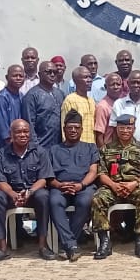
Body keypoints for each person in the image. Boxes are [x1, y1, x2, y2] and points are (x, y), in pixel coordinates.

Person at [92, 114, 140, 260]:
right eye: (122, 128)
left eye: (128, 128)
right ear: (116, 129)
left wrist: (134, 184)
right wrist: (113, 185)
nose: (125, 131)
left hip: (135, 186)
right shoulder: (106, 149)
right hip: (112, 187)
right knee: (98, 198)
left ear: (134, 129)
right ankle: (104, 241)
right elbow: (101, 174)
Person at [0, 118, 53, 263]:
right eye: (18, 132)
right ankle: (2, 249)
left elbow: (43, 179)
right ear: (11, 134)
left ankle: (43, 246)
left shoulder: (40, 152)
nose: (23, 135)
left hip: (33, 194)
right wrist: (12, 194)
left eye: (26, 131)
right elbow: (1, 181)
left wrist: (30, 192)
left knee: (44, 195)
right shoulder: (2, 153)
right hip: (10, 195)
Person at [46, 110, 99, 262]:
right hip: (60, 187)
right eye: (70, 127)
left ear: (82, 129)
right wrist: (59, 185)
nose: (73, 130)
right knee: (54, 202)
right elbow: (49, 177)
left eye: (77, 127)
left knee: (85, 201)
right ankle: (72, 245)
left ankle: (67, 245)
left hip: (83, 186)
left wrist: (81, 185)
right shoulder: (54, 150)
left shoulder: (90, 147)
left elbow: (93, 171)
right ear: (64, 129)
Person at [24, 61, 65, 149]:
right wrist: (36, 148)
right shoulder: (32, 95)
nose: (52, 75)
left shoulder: (60, 94)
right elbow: (29, 124)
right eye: (48, 72)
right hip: (41, 147)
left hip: (60, 147)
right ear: (40, 74)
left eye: (55, 72)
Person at [0, 65, 28, 147]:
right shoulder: (3, 97)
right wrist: (11, 144)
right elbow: (2, 126)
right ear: (7, 77)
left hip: (20, 142)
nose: (18, 78)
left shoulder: (21, 96)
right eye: (15, 76)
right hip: (8, 145)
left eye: (21, 76)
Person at [62, 66, 97, 145]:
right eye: (85, 77)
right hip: (76, 147)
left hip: (91, 146)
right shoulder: (70, 100)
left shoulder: (91, 101)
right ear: (76, 81)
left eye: (90, 77)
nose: (89, 80)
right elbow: (64, 128)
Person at [93, 72, 124, 146]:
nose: (116, 87)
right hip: (110, 148)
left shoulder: (123, 103)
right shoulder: (102, 106)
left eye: (118, 84)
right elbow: (99, 135)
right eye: (112, 84)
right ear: (105, 86)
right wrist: (103, 152)